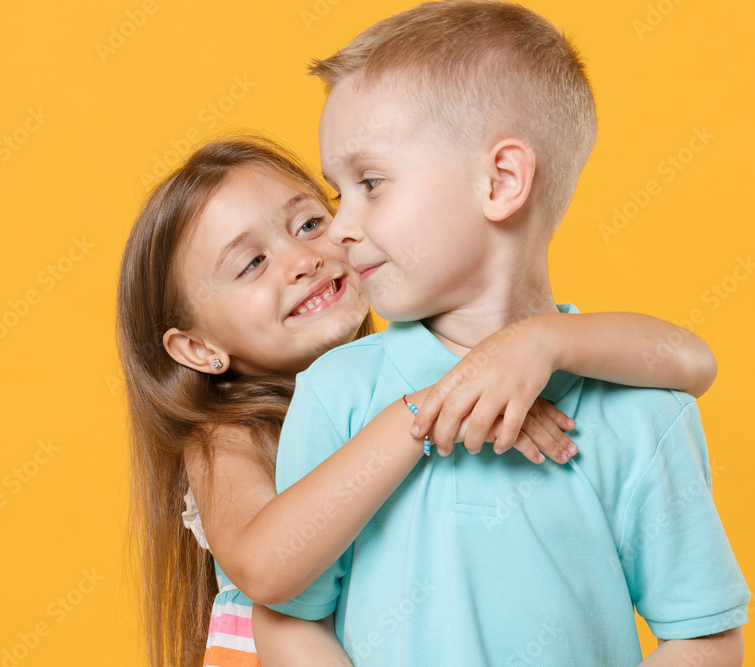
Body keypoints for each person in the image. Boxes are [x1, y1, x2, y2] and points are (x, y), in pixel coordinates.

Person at [260, 2, 749, 665]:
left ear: (502, 180)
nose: (341, 225)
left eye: (371, 182)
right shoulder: (338, 392)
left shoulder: (638, 406)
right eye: (338, 191)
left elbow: (704, 634)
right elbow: (289, 614)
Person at [118, 135, 722, 666]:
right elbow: (266, 569)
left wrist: (545, 342)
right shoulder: (224, 436)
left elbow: (694, 363)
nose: (303, 260)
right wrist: (434, 407)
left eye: (308, 224)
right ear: (197, 348)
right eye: (252, 263)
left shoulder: (396, 369)